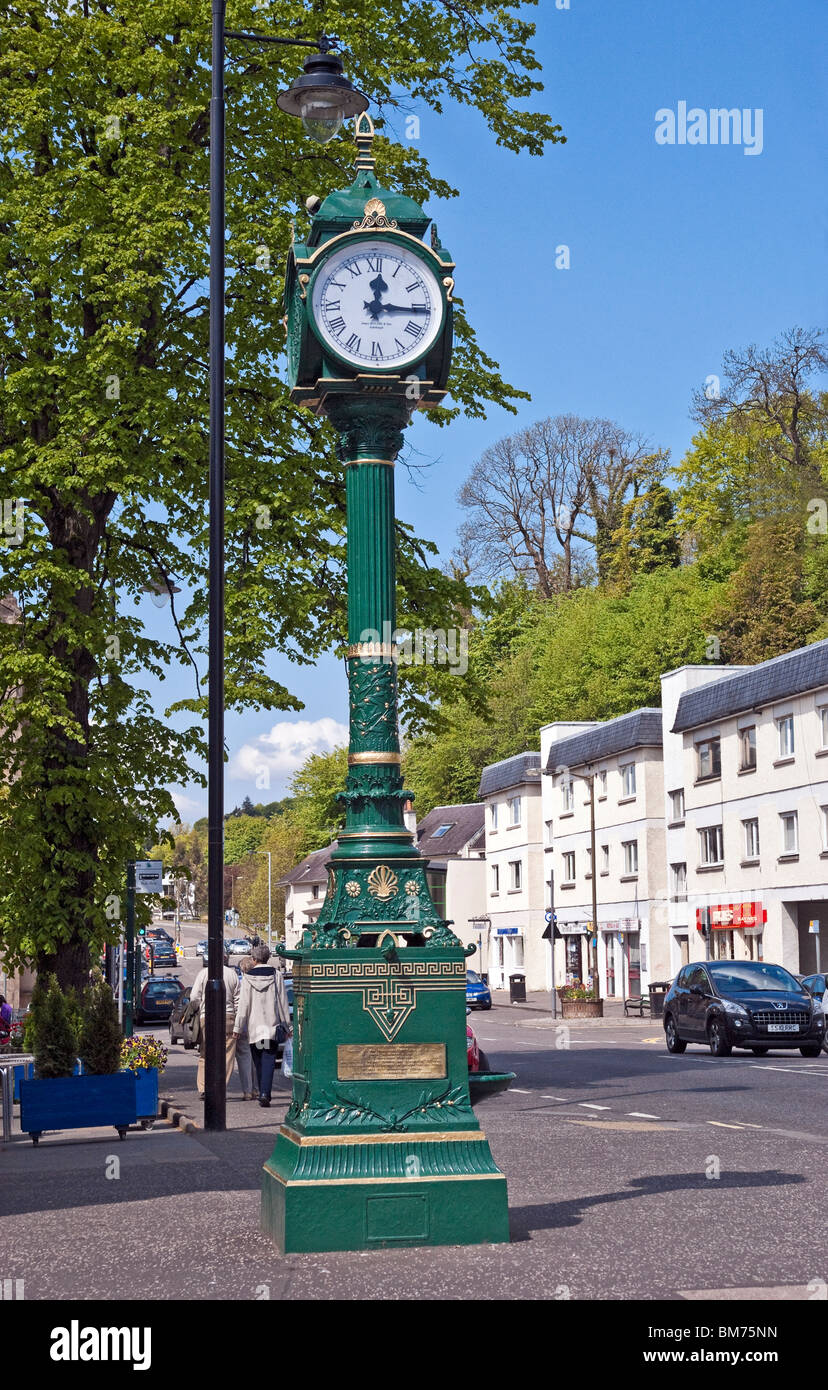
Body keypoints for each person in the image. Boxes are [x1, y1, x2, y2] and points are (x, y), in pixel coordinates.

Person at [234, 944, 291, 1108]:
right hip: (270, 1027)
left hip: (256, 1028)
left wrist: (238, 1028)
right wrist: (288, 1026)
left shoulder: (247, 977)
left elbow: (243, 1005)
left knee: (259, 1060)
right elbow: (282, 1002)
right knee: (268, 1060)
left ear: (254, 959)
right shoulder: (276, 975)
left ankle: (263, 1091)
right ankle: (265, 1092)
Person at [189, 950, 240, 1098]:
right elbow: (238, 999)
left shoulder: (203, 973)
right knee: (228, 1054)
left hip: (207, 1016)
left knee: (205, 1053)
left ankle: (204, 1087)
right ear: (225, 959)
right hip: (228, 1016)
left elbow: (194, 997)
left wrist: (199, 1008)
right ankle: (220, 1088)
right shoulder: (232, 974)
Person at [235, 956, 256, 1100]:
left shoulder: (241, 984)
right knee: (257, 1057)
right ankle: (257, 1089)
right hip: (259, 1025)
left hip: (244, 1025)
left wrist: (238, 1027)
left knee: (244, 1056)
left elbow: (240, 1007)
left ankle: (247, 1091)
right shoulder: (263, 980)